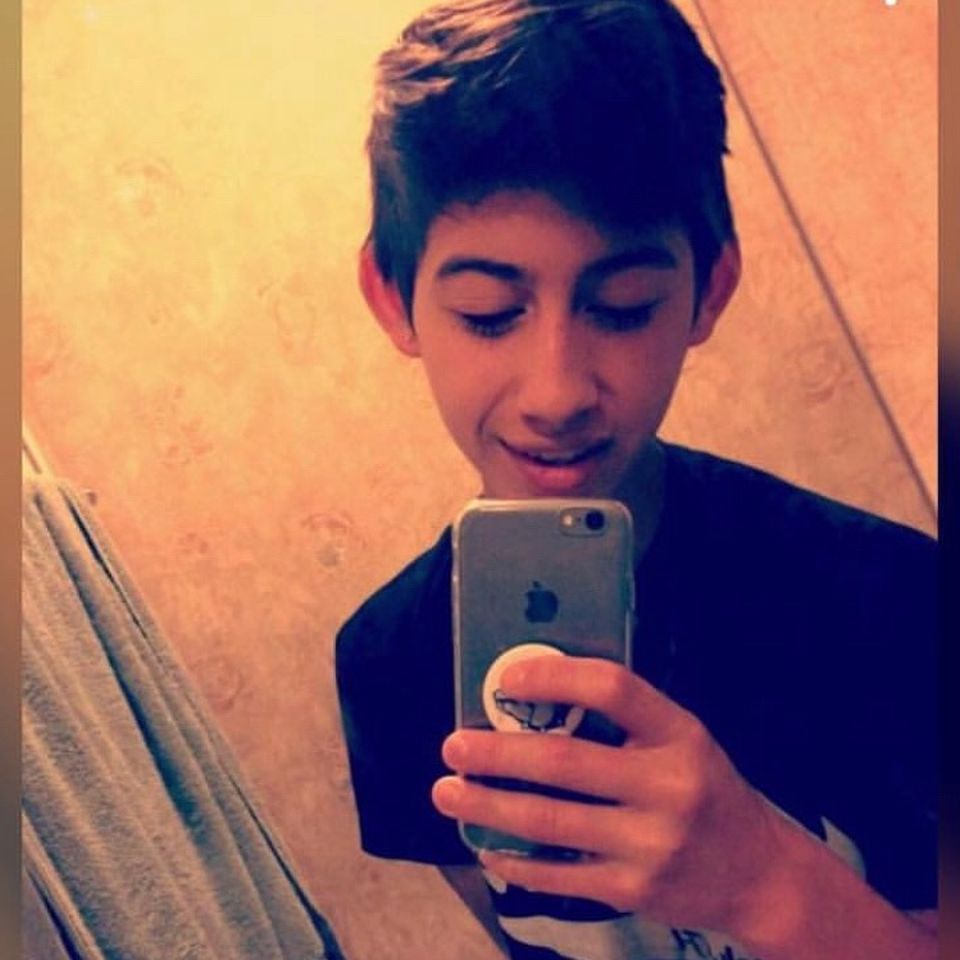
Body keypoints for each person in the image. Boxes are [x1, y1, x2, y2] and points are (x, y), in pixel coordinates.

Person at [334, 2, 938, 957]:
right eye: (489, 313)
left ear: (709, 291)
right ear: (392, 297)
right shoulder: (387, 664)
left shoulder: (895, 596)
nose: (557, 393)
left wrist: (766, 881)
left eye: (622, 307)